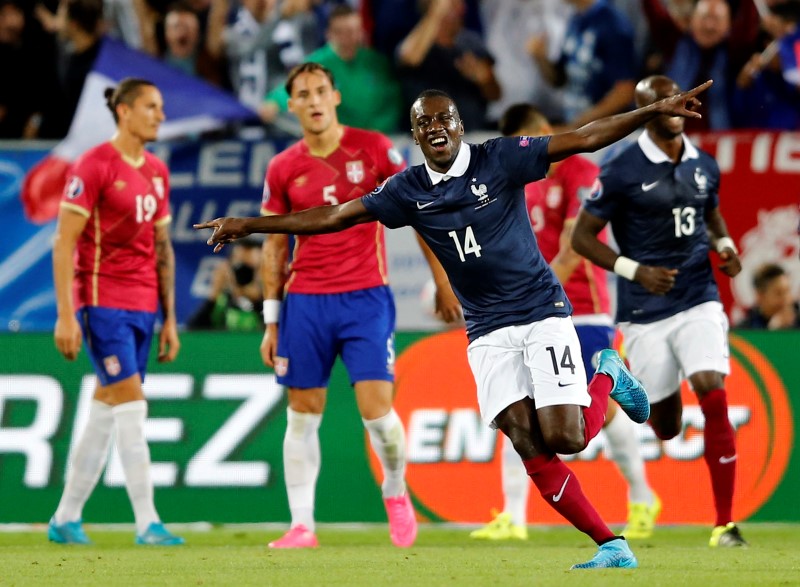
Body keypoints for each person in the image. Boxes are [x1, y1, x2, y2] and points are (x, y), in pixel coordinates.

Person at [195, 79, 714, 569]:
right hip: (485, 329)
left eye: (444, 119)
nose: (436, 128)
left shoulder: (502, 158)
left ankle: (607, 372)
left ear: (460, 125)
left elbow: (581, 138)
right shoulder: (407, 189)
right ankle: (611, 544)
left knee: (567, 436)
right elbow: (333, 216)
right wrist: (250, 224)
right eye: (425, 123)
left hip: (538, 311)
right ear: (417, 134)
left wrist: (651, 111)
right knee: (524, 439)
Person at [468, 103, 659, 542]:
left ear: (543, 132)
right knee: (513, 409)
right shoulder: (522, 184)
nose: (526, 149)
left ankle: (643, 497)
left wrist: (533, 292)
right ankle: (514, 516)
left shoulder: (577, 173)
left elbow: (576, 244)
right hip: (528, 315)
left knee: (601, 416)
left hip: (580, 309)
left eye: (529, 139)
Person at [571, 75, 747, 547]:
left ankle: (725, 525)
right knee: (665, 427)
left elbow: (710, 213)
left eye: (679, 102)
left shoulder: (704, 165)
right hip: (644, 310)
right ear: (646, 111)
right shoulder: (622, 169)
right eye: (662, 103)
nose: (674, 109)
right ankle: (628, 381)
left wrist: (726, 247)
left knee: (713, 392)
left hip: (697, 297)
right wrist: (634, 270)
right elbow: (581, 238)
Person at [256, 62, 416, 549]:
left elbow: (416, 205)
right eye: (302, 94)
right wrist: (271, 320)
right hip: (305, 301)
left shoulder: (372, 149)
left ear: (336, 96)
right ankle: (302, 524)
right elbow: (273, 245)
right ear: (293, 106)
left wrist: (443, 278)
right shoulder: (283, 167)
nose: (313, 100)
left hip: (366, 296)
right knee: (302, 414)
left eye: (320, 90)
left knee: (378, 415)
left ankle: (395, 489)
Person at [49, 78, 184, 546]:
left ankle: (65, 518)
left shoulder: (157, 172)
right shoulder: (94, 166)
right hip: (102, 302)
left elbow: (162, 248)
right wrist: (67, 315)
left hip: (144, 306)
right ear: (124, 111)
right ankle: (148, 522)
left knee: (107, 409)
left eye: (161, 106)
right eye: (152, 106)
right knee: (131, 406)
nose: (160, 115)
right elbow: (63, 241)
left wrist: (169, 317)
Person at [187, 237, 264, 331]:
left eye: (250, 269)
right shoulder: (222, 302)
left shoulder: (273, 301)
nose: (243, 275)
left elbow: (276, 331)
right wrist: (213, 296)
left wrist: (258, 301)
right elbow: (192, 331)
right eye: (239, 268)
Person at [736, 263, 800, 329]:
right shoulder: (744, 330)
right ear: (760, 296)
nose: (787, 299)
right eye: (779, 293)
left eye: (788, 291)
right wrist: (772, 331)